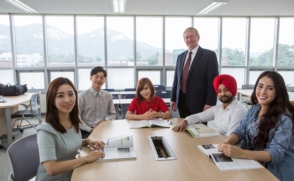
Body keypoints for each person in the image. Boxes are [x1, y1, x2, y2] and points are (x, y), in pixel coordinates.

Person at [218, 71, 294, 181]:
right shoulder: (254, 109)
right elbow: (240, 130)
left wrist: (241, 153)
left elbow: (276, 153)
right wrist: (227, 143)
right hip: (253, 165)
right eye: (260, 86)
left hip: (276, 173)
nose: (263, 92)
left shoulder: (284, 118)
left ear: (278, 92)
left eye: (270, 88)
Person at [36, 77, 105, 181]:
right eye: (60, 96)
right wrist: (86, 158)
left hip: (73, 173)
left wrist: (87, 141)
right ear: (52, 100)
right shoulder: (46, 130)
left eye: (70, 94)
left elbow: (65, 143)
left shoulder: (73, 121)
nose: (67, 100)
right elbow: (51, 169)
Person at [172, 74, 247, 136]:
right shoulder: (218, 108)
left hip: (232, 148)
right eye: (219, 91)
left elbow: (230, 137)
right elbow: (199, 116)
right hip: (219, 142)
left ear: (233, 90)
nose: (223, 94)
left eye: (226, 90)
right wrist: (185, 122)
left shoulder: (239, 110)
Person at [170, 27, 219, 119]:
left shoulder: (209, 56)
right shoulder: (180, 57)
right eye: (187, 37)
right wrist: (173, 98)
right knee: (183, 129)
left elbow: (213, 81)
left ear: (198, 37)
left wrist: (210, 102)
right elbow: (176, 79)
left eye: (192, 36)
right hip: (182, 101)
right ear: (184, 40)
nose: (189, 39)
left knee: (199, 130)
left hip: (200, 103)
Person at [79, 66, 116, 138]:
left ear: (105, 80)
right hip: (85, 131)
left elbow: (113, 114)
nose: (99, 80)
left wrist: (105, 120)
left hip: (103, 129)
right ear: (91, 78)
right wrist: (90, 129)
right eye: (96, 76)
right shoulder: (81, 96)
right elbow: (77, 118)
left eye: (102, 78)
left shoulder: (108, 96)